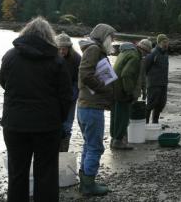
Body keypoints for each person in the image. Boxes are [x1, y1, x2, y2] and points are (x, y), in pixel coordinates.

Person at [0, 17, 72, 202]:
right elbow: (66, 96)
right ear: (49, 36)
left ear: (26, 32)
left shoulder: (10, 56)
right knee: (46, 174)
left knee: (17, 173)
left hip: (15, 125)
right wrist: (60, 120)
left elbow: (3, 81)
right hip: (47, 126)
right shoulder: (57, 61)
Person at [77, 23, 116, 196]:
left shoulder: (93, 49)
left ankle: (85, 181)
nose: (113, 41)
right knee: (95, 147)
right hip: (91, 107)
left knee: (89, 145)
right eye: (111, 37)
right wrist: (103, 88)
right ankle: (88, 185)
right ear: (104, 36)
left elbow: (86, 74)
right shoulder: (93, 50)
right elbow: (85, 75)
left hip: (86, 106)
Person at [110, 39, 152, 150]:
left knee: (115, 115)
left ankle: (114, 139)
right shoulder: (134, 57)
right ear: (143, 50)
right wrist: (129, 92)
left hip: (114, 88)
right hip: (122, 91)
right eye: (147, 53)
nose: (146, 56)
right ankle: (118, 141)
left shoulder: (125, 52)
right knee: (123, 116)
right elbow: (126, 75)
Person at [55, 32, 81, 152]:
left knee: (67, 124)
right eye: (59, 49)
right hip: (56, 95)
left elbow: (78, 80)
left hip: (71, 93)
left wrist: (72, 95)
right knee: (55, 122)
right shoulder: (52, 58)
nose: (61, 52)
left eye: (64, 49)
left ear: (69, 48)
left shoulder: (76, 58)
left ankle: (63, 149)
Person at [145, 34, 169, 124]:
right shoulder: (153, 53)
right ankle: (145, 122)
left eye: (167, 42)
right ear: (159, 43)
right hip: (153, 84)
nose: (166, 44)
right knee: (151, 103)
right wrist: (145, 82)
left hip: (163, 84)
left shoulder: (165, 54)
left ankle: (155, 122)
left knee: (161, 104)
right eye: (164, 42)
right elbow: (145, 68)